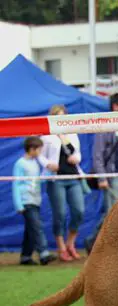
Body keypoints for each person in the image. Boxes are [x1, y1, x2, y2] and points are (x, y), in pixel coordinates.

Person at [85, 92, 118, 253]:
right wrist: (102, 177)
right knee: (112, 212)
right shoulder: (105, 126)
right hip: (114, 176)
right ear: (115, 107)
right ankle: (94, 242)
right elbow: (97, 154)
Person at [40, 105, 86, 262]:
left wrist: (76, 158)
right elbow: (40, 155)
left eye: (63, 116)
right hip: (56, 179)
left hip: (73, 177)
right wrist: (47, 164)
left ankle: (70, 243)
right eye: (58, 116)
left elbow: (78, 153)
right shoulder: (46, 135)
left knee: (78, 211)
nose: (61, 119)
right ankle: (61, 248)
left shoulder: (72, 133)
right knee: (59, 214)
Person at [12, 137, 56, 266]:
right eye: (39, 150)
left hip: (35, 201)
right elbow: (16, 184)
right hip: (26, 201)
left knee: (30, 229)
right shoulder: (20, 164)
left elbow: (38, 180)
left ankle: (25, 257)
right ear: (32, 149)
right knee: (37, 227)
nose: (40, 152)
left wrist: (49, 172)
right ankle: (44, 253)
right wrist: (18, 204)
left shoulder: (35, 163)